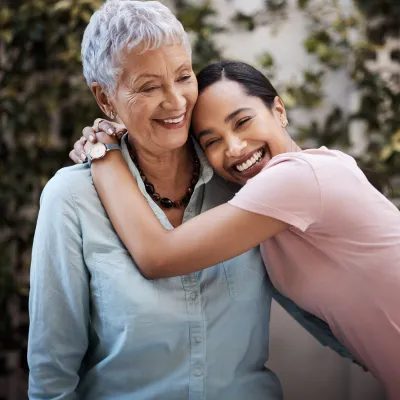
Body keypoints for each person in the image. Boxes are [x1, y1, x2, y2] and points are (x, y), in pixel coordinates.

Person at [28, 1, 358, 399]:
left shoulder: (241, 179)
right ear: (105, 100)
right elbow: (52, 374)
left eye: (183, 76)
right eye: (149, 87)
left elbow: (323, 304)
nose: (176, 101)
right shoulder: (71, 200)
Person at [72, 60, 400, 399]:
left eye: (242, 121)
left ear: (279, 110)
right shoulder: (267, 212)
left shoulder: (300, 178)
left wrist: (105, 153)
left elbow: (158, 256)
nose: (235, 147)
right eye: (212, 141)